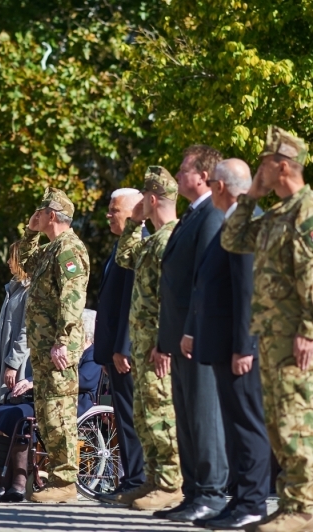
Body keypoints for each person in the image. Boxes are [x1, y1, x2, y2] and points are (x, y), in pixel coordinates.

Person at [221, 126, 313, 532]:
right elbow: (233, 239)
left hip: (296, 336)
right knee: (277, 422)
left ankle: (305, 508)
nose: (258, 169)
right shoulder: (276, 212)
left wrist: (308, 331)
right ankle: (291, 502)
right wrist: (251, 198)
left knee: (296, 421)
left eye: (263, 163)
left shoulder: (307, 211)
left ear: (282, 165)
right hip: (271, 336)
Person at [184, 158, 270, 530]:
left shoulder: (246, 220)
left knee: (248, 424)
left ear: (219, 186)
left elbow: (248, 292)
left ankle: (252, 502)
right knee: (235, 424)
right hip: (225, 344)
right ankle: (239, 498)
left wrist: (244, 347)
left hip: (241, 347)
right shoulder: (236, 218)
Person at [159, 145, 228, 522]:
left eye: (184, 168)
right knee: (186, 417)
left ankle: (212, 493)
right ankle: (193, 492)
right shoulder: (192, 215)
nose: (179, 174)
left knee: (204, 415)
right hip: (178, 336)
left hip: (197, 336)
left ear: (203, 175)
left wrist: (190, 330)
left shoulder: (211, 215)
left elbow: (206, 280)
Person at [112, 166, 182, 510]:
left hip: (158, 348)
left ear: (152, 198)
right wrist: (135, 223)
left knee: (161, 415)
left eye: (143, 200)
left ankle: (170, 484)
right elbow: (125, 257)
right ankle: (153, 481)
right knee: (144, 416)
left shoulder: (172, 238)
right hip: (143, 347)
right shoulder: (152, 239)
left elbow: (176, 297)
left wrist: (165, 343)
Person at [20, 187, 89, 503]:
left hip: (58, 348)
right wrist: (29, 231)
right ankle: (59, 478)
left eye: (40, 211)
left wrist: (63, 341)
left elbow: (72, 299)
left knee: (60, 413)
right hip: (44, 348)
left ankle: (66, 481)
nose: (36, 215)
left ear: (52, 214)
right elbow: (25, 261)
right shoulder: (51, 248)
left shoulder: (69, 249)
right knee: (47, 413)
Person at [94, 189, 147, 503]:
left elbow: (133, 301)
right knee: (123, 416)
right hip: (114, 350)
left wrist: (122, 347)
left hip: (127, 351)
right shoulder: (119, 246)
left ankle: (138, 478)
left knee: (132, 416)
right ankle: (131, 478)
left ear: (134, 211)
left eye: (114, 210)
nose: (108, 215)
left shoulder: (138, 244)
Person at [0, 240, 31, 404]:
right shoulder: (14, 288)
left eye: (12, 257)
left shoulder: (30, 290)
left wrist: (12, 364)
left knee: (16, 413)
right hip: (7, 363)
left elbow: (28, 331)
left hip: (19, 367)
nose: (8, 262)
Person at [77, 310, 102, 417]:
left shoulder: (93, 353)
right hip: (57, 398)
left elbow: (83, 380)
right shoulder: (71, 352)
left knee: (20, 413)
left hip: (80, 402)